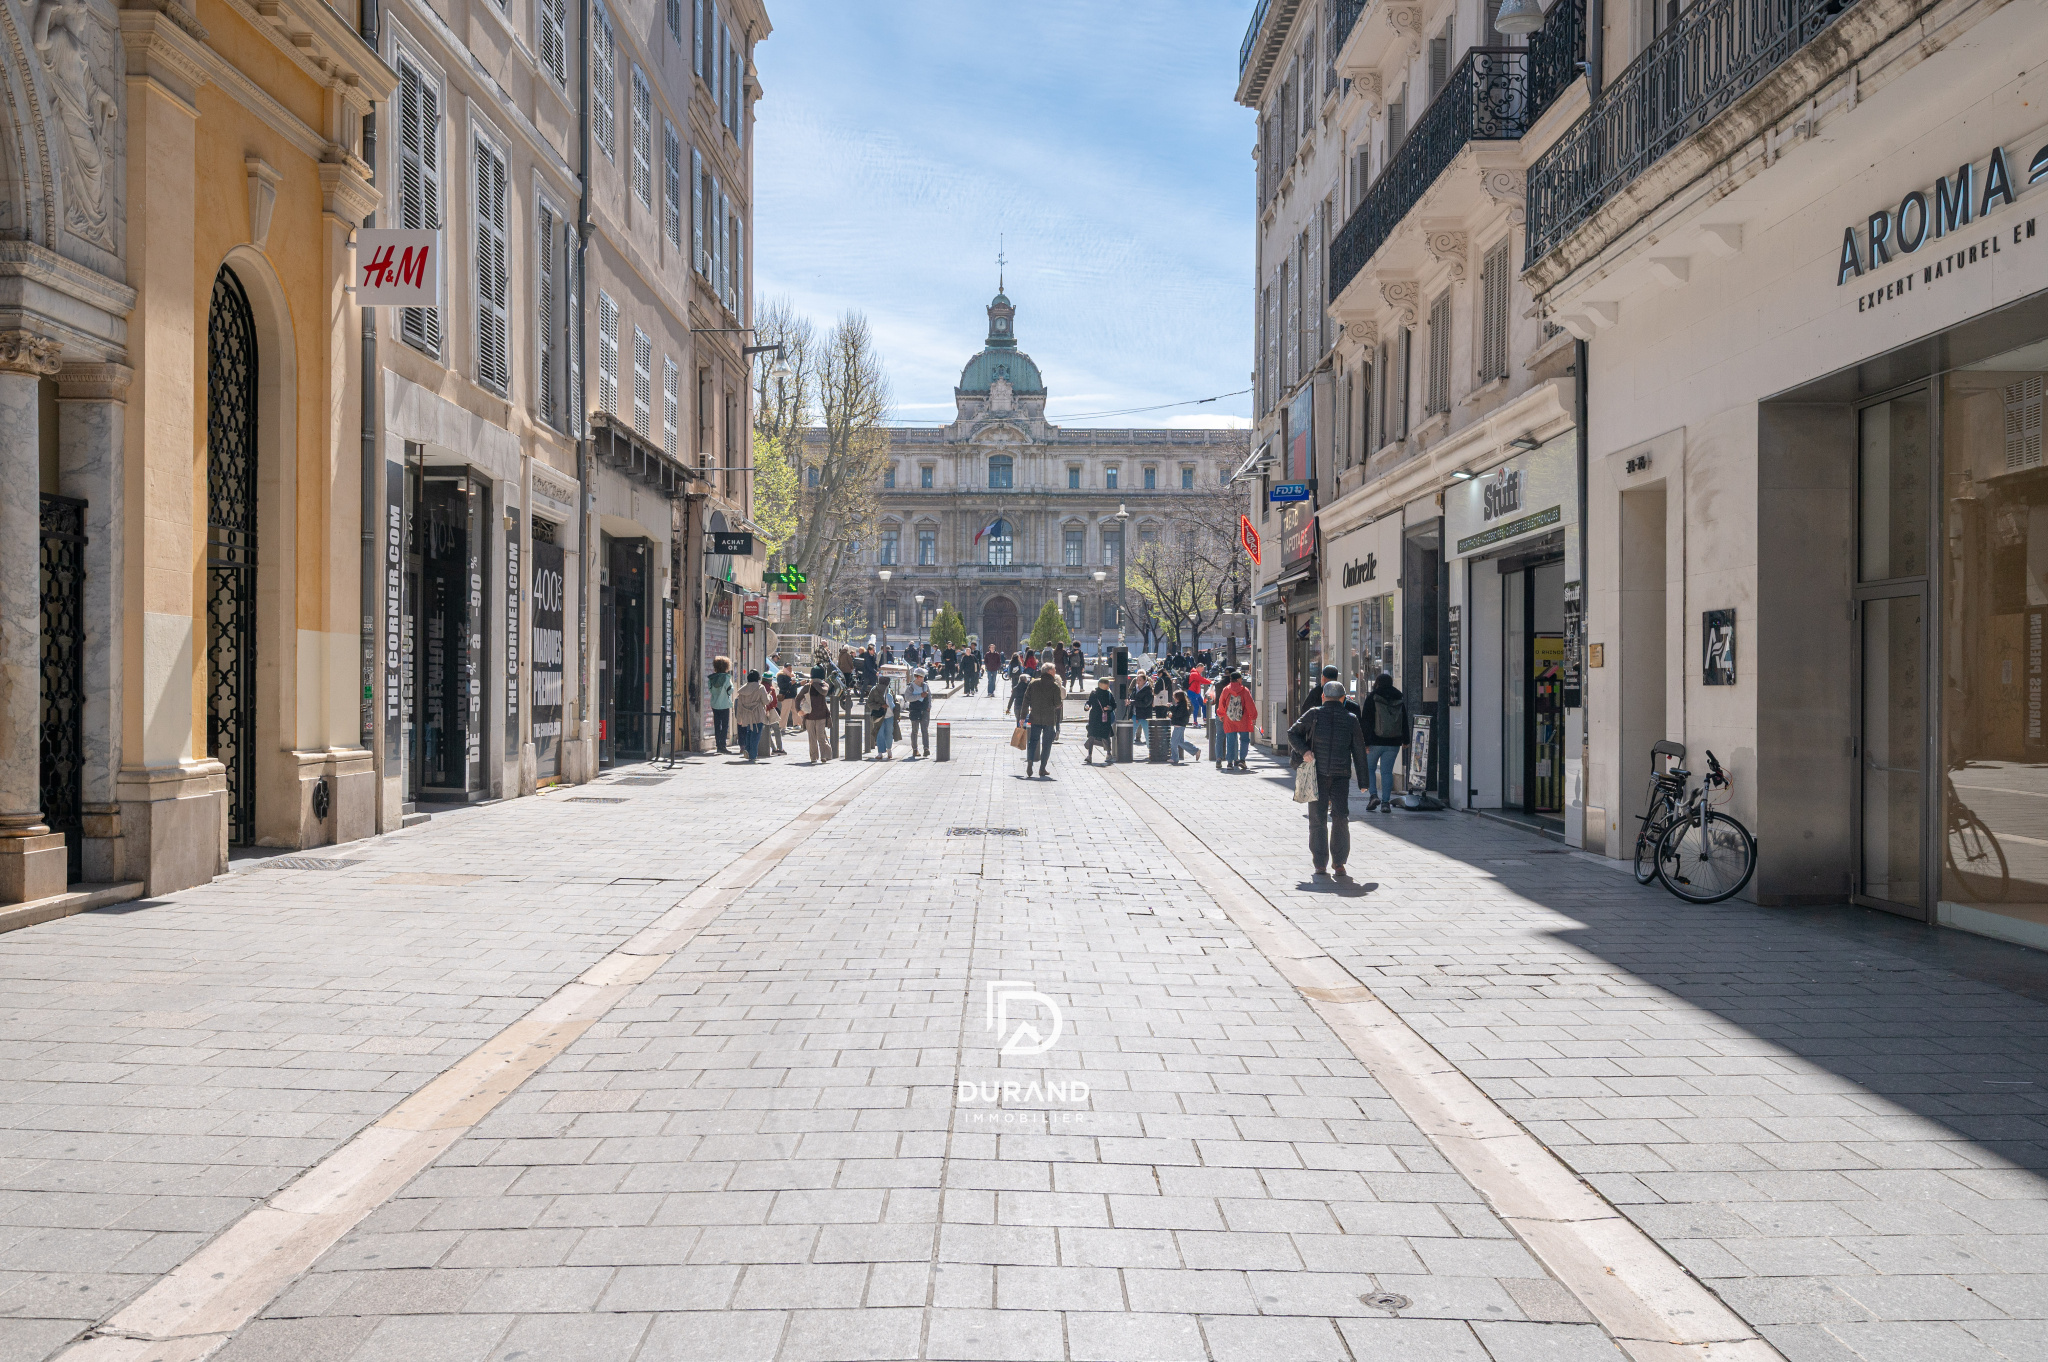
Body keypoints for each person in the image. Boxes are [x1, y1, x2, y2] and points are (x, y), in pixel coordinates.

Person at [1289, 681, 1372, 882]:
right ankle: (1339, 863)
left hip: (1317, 774)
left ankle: (1319, 863)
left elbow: (1292, 733)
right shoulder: (1351, 718)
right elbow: (1359, 751)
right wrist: (1363, 781)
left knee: (1317, 819)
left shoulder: (1313, 714)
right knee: (1341, 817)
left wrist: (1304, 751)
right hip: (1341, 776)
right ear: (1343, 699)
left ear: (1324, 697)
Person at [1364, 672, 1411, 811]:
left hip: (1374, 741)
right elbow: (1404, 720)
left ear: (1377, 683)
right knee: (1387, 772)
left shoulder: (1372, 697)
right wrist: (1406, 740)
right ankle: (1385, 803)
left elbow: (1365, 721)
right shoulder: (1399, 698)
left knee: (1369, 769)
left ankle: (1373, 796)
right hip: (1393, 742)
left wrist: (1365, 742)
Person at [1023, 663, 1064, 778]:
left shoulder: (1033, 683)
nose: (1055, 672)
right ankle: (1042, 769)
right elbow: (1057, 703)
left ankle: (1030, 761)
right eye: (1054, 670)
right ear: (1049, 672)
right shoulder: (1054, 686)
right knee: (1047, 744)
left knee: (1033, 741)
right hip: (1049, 719)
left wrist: (1022, 717)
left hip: (1035, 717)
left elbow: (1026, 701)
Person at [1217, 670, 1258, 771]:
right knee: (1244, 740)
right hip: (1243, 720)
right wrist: (1253, 717)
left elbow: (1221, 704)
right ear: (1238, 679)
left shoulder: (1226, 690)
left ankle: (1230, 763)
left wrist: (1221, 714)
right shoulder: (1244, 690)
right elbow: (1250, 705)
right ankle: (1242, 760)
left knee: (1230, 740)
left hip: (1229, 720)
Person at [733, 670, 770, 763]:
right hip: (757, 714)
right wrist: (770, 697)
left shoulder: (742, 689)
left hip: (746, 715)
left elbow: (739, 705)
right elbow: (766, 701)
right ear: (758, 679)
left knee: (749, 732)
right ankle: (752, 755)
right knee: (756, 734)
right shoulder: (760, 688)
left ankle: (748, 750)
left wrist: (739, 718)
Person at [1082, 675, 1117, 764]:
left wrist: (1109, 708)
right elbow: (1089, 702)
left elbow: (1114, 705)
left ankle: (1108, 754)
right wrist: (1087, 706)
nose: (1107, 685)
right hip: (1095, 718)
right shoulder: (1094, 693)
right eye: (1106, 684)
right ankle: (1089, 755)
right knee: (1092, 735)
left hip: (1105, 718)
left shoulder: (1109, 694)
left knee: (1106, 736)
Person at [802, 668, 834, 763]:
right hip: (816, 715)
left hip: (816, 716)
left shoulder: (822, 685)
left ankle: (822, 756)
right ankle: (815, 757)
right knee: (816, 737)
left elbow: (823, 691)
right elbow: (798, 698)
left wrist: (814, 682)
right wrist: (799, 710)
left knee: (818, 737)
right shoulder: (811, 686)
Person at [708, 656, 735, 754]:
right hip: (724, 704)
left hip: (714, 704)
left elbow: (710, 689)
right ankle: (723, 745)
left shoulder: (711, 678)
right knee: (724, 725)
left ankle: (718, 745)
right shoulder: (726, 678)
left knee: (716, 725)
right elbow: (731, 690)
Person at [904, 669, 933, 757]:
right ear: (916, 677)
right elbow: (908, 698)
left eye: (922, 677)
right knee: (915, 730)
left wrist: (929, 707)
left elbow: (929, 697)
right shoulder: (910, 687)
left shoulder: (925, 686)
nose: (921, 679)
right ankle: (915, 749)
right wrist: (919, 696)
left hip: (924, 710)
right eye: (919, 677)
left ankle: (926, 748)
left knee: (925, 730)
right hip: (915, 710)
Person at [866, 675, 896, 760]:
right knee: (880, 733)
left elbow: (894, 702)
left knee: (888, 733)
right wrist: (880, 706)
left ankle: (888, 750)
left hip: (890, 715)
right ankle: (880, 752)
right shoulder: (874, 690)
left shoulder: (890, 691)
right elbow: (869, 703)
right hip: (878, 715)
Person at [1167, 686, 1195, 765]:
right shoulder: (1181, 704)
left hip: (1179, 725)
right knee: (1180, 741)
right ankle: (1195, 750)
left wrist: (1171, 711)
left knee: (1173, 742)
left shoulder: (1181, 706)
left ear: (1178, 698)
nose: (1174, 699)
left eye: (1175, 697)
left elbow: (1177, 714)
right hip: (1179, 725)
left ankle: (1175, 758)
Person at [1131, 672, 1155, 744]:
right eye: (1137, 680)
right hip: (1135, 714)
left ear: (1145, 681)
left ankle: (1151, 751)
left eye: (1140, 680)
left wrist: (1133, 702)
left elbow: (1145, 704)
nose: (1138, 681)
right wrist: (1129, 701)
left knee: (1148, 735)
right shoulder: (1135, 688)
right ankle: (1128, 751)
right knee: (1131, 734)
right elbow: (1131, 697)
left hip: (1145, 715)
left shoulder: (1148, 690)